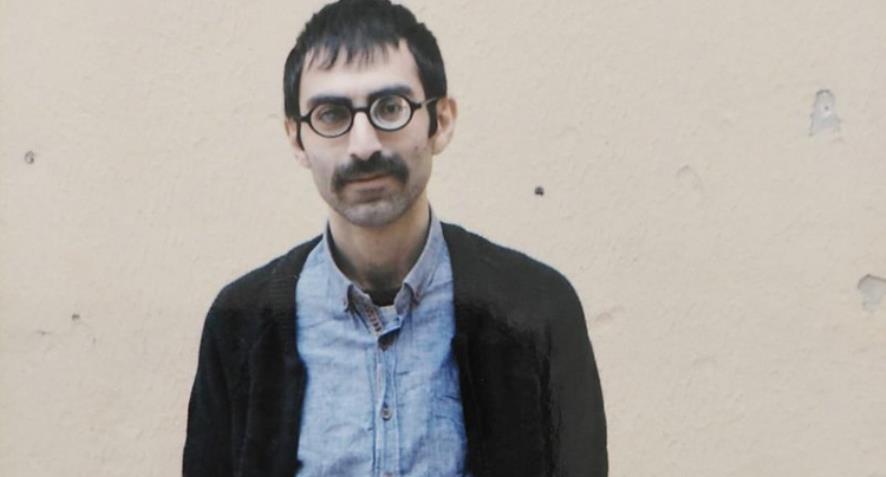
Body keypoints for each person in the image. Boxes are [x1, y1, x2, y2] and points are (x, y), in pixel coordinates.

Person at [183, 0, 607, 475]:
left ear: (441, 121)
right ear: (297, 139)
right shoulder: (239, 324)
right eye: (330, 114)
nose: (364, 145)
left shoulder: (538, 310)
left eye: (390, 108)